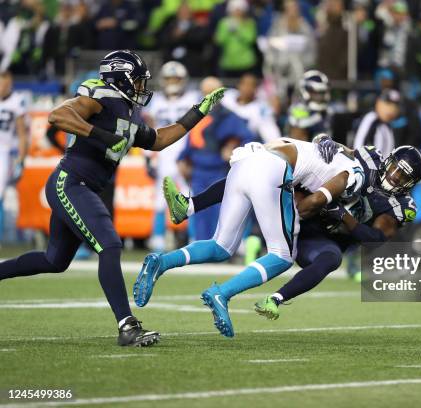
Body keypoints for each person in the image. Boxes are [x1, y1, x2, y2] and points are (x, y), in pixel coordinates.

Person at [0, 50, 226, 347]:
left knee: (54, 260)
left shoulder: (129, 109)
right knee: (109, 244)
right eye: (138, 80)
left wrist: (197, 112)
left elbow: (158, 140)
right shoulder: (100, 94)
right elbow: (58, 116)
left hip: (85, 186)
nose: (143, 86)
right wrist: (100, 134)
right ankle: (127, 326)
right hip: (71, 182)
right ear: (121, 77)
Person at [134, 138, 364, 337]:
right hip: (272, 169)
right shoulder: (352, 173)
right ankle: (221, 293)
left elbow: (328, 148)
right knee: (283, 255)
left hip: (244, 162)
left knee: (221, 246)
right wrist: (329, 212)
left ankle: (162, 261)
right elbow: (312, 203)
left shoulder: (330, 152)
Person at [255, 142, 421, 319]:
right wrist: (326, 141)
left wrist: (343, 215)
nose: (395, 177)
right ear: (388, 160)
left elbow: (375, 239)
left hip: (324, 239)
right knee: (264, 186)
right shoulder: (370, 157)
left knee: (331, 259)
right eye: (395, 168)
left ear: (411, 184)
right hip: (306, 209)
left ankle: (275, 299)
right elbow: (343, 152)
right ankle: (253, 234)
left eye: (404, 177)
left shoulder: (402, 206)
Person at [178, 77, 255, 240]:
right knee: (198, 212)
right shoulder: (197, 116)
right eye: (205, 93)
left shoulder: (229, 117)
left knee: (220, 212)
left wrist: (235, 149)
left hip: (219, 171)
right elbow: (190, 141)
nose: (208, 96)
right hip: (198, 171)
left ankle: (220, 247)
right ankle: (199, 249)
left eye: (211, 93)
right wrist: (182, 159)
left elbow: (249, 139)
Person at [142, 61, 200, 251]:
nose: (173, 82)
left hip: (185, 154)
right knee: (160, 199)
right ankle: (157, 238)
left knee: (190, 197)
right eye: (169, 78)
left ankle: (194, 238)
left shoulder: (193, 97)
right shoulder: (154, 101)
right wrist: (147, 157)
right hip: (164, 154)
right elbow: (147, 131)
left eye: (176, 78)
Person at [0, 71, 29, 243]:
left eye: (5, 84)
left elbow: (22, 134)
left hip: (3, 151)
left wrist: (21, 158)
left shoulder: (16, 101)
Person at [221, 73, 281, 143]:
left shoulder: (261, 109)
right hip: (219, 139)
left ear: (256, 90)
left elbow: (271, 134)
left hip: (242, 143)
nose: (247, 88)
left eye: (251, 85)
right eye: (244, 84)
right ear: (239, 85)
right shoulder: (227, 96)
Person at [353, 89, 401, 157]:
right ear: (378, 103)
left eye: (395, 106)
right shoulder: (371, 118)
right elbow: (358, 144)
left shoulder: (389, 125)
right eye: (388, 104)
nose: (391, 109)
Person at [287, 70, 331, 141]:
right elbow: (297, 133)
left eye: (321, 92)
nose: (319, 96)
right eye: (315, 92)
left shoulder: (327, 109)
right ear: (306, 91)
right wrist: (318, 117)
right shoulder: (298, 108)